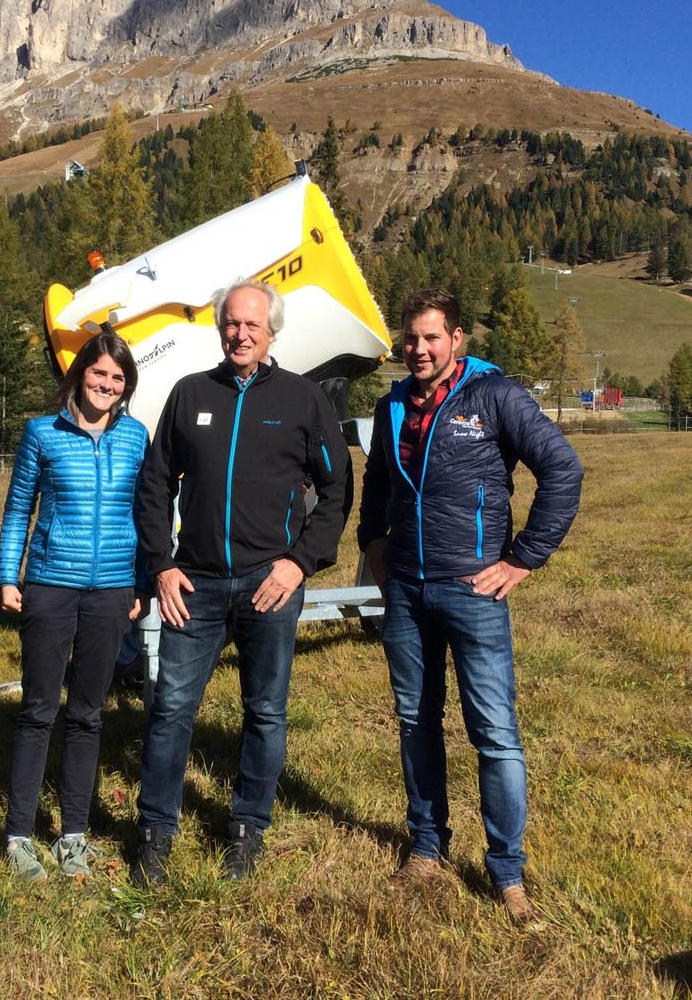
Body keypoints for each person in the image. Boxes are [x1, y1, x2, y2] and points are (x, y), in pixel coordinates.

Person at [357, 288, 582, 924]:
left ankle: (507, 872)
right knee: (414, 720)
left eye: (432, 337)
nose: (419, 349)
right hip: (405, 588)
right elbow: (377, 483)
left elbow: (563, 471)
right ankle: (427, 848)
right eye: (411, 337)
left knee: (494, 734)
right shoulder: (393, 403)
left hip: (473, 589)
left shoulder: (495, 396)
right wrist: (373, 543)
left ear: (457, 340)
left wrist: (522, 557)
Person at [131, 279, 352, 885]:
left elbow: (337, 490)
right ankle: (155, 829)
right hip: (194, 585)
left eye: (253, 325)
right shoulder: (190, 393)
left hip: (269, 582)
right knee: (172, 707)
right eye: (232, 323)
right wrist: (161, 563)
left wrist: (299, 561)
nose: (241, 334)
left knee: (265, 710)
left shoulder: (304, 399)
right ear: (220, 327)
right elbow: (155, 485)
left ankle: (249, 827)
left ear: (272, 332)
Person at [0, 332, 149, 881]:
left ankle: (73, 837)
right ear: (79, 372)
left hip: (111, 590)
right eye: (100, 373)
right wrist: (7, 576)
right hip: (49, 585)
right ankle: (18, 837)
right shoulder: (43, 433)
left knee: (88, 714)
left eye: (118, 378)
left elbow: (144, 514)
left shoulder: (136, 437)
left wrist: (141, 586)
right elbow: (18, 509)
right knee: (39, 709)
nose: (108, 385)